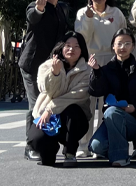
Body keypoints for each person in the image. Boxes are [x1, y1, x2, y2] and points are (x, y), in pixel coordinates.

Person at [74, 0, 127, 157]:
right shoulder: (82, 13)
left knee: (107, 103)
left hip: (111, 61)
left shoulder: (116, 13)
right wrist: (89, 19)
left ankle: (101, 144)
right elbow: (82, 39)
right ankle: (83, 145)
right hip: (90, 60)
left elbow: (123, 36)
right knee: (88, 103)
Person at [19, 0, 68, 161]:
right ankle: (30, 146)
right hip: (32, 65)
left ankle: (45, 142)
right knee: (35, 104)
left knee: (48, 103)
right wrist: (39, 8)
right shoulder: (35, 6)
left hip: (50, 68)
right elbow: (32, 16)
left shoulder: (61, 9)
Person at [88, 28, 136, 167]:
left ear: (133, 46)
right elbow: (95, 92)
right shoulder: (106, 69)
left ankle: (120, 157)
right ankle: (117, 147)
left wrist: (135, 107)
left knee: (111, 111)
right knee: (96, 146)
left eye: (127, 43)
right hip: (112, 120)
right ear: (113, 46)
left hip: (135, 121)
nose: (123, 47)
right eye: (119, 43)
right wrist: (96, 71)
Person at [27, 31, 91, 167]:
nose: (71, 49)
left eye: (76, 46)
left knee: (73, 110)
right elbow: (45, 90)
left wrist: (50, 109)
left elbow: (78, 95)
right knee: (38, 142)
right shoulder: (47, 66)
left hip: (71, 120)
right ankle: (49, 150)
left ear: (82, 50)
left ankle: (70, 152)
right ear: (61, 47)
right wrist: (54, 74)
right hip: (46, 117)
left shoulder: (87, 70)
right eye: (68, 45)